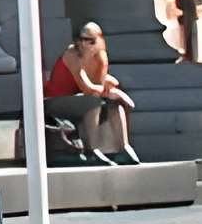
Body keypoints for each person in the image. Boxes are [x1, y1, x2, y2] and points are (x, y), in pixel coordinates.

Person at [44, 21, 143, 165]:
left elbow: (100, 85)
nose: (84, 44)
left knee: (113, 103)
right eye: (81, 39)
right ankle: (92, 151)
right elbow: (87, 88)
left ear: (99, 41)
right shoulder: (71, 55)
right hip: (52, 102)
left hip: (76, 100)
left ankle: (124, 149)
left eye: (90, 41)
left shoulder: (101, 58)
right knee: (93, 101)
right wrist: (115, 92)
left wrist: (113, 92)